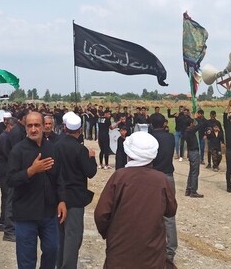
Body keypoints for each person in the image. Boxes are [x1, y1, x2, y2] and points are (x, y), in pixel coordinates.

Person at [94, 131, 178, 269]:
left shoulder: (119, 177)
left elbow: (101, 214)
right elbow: (171, 210)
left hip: (120, 249)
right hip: (151, 251)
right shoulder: (161, 180)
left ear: (129, 154)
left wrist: (109, 233)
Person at [7, 111, 67, 269]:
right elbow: (10, 180)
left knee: (52, 250)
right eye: (30, 126)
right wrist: (31, 171)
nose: (33, 129)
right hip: (26, 213)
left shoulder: (52, 148)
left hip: (48, 213)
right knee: (27, 259)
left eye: (37, 125)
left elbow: (59, 177)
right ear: (25, 127)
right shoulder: (18, 151)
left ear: (44, 126)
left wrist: (62, 200)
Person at [54, 112, 97, 269]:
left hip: (58, 196)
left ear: (65, 128)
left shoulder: (55, 145)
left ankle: (58, 264)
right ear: (79, 130)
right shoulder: (80, 149)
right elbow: (90, 172)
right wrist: (92, 157)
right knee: (73, 236)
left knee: (60, 234)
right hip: (75, 198)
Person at [150, 113, 178, 265]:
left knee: (150, 212)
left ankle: (153, 247)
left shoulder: (151, 138)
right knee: (169, 214)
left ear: (152, 125)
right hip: (168, 175)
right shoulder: (171, 137)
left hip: (153, 176)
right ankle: (170, 250)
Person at [0, 116, 16, 235]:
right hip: (4, 172)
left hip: (4, 171)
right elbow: (8, 154)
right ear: (9, 126)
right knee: (8, 197)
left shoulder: (6, 136)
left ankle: (2, 222)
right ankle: (7, 226)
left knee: (6, 197)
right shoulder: (4, 137)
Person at [183, 117, 203, 197]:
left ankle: (188, 189)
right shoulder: (190, 131)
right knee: (195, 172)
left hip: (191, 152)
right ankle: (193, 191)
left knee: (191, 172)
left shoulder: (187, 131)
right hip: (194, 152)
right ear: (191, 124)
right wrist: (198, 118)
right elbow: (200, 125)